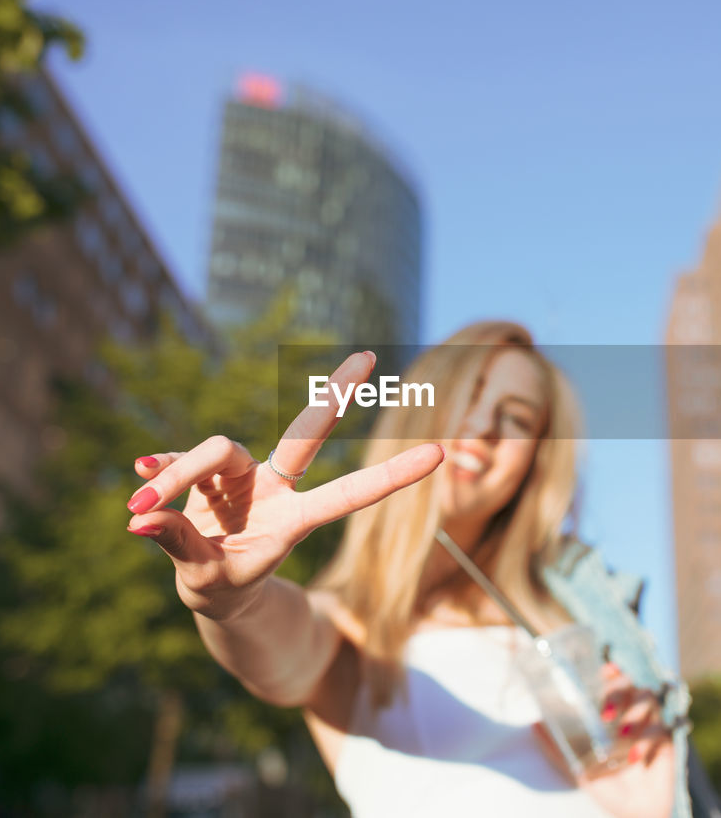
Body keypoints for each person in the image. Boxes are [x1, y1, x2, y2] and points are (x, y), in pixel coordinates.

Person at [124, 321, 680, 817]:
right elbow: (280, 642)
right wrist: (230, 601)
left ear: (534, 464)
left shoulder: (576, 608)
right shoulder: (351, 620)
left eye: (516, 418)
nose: (485, 424)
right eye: (469, 394)